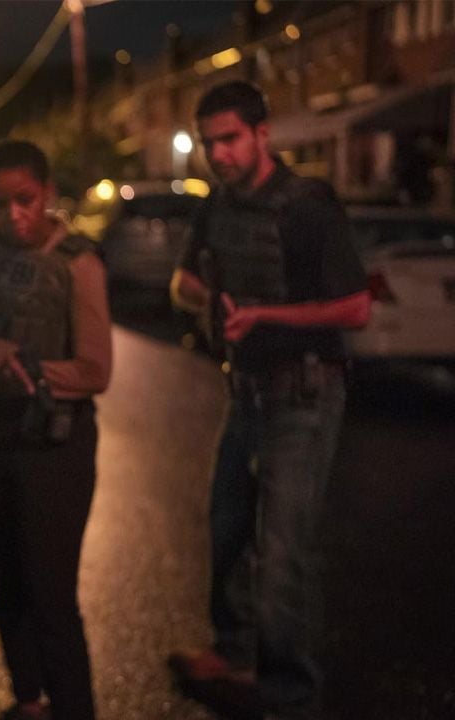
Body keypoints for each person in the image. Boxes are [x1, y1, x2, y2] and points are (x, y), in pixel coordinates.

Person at [167, 81, 370, 720]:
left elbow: (355, 307)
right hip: (247, 390)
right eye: (209, 143)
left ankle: (289, 693)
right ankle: (233, 650)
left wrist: (262, 315)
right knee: (227, 527)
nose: (218, 155)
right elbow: (182, 282)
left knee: (283, 547)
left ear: (262, 134)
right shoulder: (217, 206)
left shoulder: (308, 205)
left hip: (304, 389)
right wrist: (210, 301)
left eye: (229, 139)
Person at [0, 140, 112, 720]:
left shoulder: (78, 263)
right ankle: (28, 699)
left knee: (50, 592)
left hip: (52, 442)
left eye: (26, 200)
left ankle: (73, 708)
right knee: (3, 579)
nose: (14, 214)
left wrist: (17, 367)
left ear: (47, 194)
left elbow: (96, 370)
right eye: (0, 202)